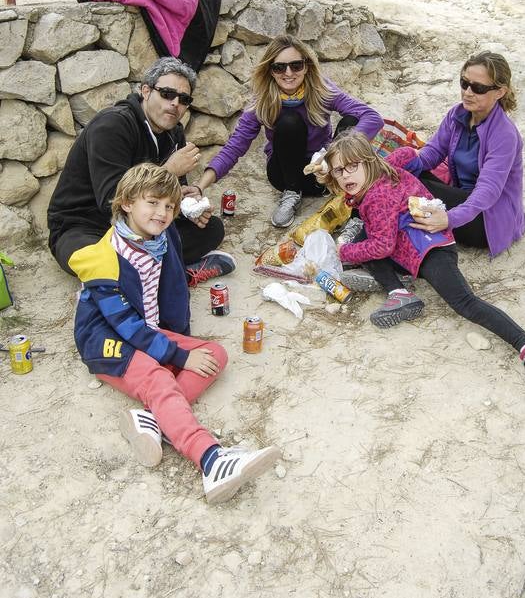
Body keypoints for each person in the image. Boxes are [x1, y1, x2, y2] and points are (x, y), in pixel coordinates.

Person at [70, 163, 280, 503]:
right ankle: (211, 460)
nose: (162, 213)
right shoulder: (104, 259)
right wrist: (179, 355)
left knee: (214, 356)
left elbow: (170, 292)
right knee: (159, 379)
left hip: (146, 330)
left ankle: (152, 419)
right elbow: (125, 326)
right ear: (125, 203)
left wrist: (183, 341)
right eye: (152, 203)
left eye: (169, 206)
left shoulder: (159, 238)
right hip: (107, 342)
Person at [322, 131, 525, 388]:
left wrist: (344, 252)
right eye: (339, 171)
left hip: (431, 250)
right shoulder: (385, 169)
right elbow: (407, 153)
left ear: (369, 163)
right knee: (367, 235)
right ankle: (399, 292)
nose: (346, 175)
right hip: (413, 243)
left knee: (465, 302)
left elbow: (382, 245)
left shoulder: (376, 198)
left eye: (352, 166)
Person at [48, 57, 233, 286]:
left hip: (143, 224)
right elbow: (111, 201)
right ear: (146, 91)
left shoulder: (174, 133)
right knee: (100, 260)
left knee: (211, 229)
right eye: (167, 93)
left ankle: (147, 274)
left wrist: (186, 202)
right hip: (86, 225)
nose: (175, 103)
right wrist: (168, 171)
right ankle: (174, 273)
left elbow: (168, 197)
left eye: (183, 99)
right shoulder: (112, 126)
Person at [196, 35, 383, 228]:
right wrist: (199, 186)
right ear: (270, 71)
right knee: (289, 121)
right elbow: (234, 146)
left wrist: (333, 154)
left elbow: (372, 118)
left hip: (323, 171)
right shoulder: (262, 101)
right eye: (279, 67)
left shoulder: (322, 89)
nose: (288, 73)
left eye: (296, 65)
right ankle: (292, 194)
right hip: (284, 174)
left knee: (351, 122)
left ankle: (345, 191)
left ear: (306, 66)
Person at [403, 51, 525, 257]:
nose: (468, 92)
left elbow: (488, 191)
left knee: (409, 186)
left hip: (486, 218)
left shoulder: (505, 135)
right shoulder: (457, 114)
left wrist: (449, 219)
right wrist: (398, 163)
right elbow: (432, 153)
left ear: (500, 92)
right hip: (460, 198)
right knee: (404, 174)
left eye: (478, 88)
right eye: (464, 83)